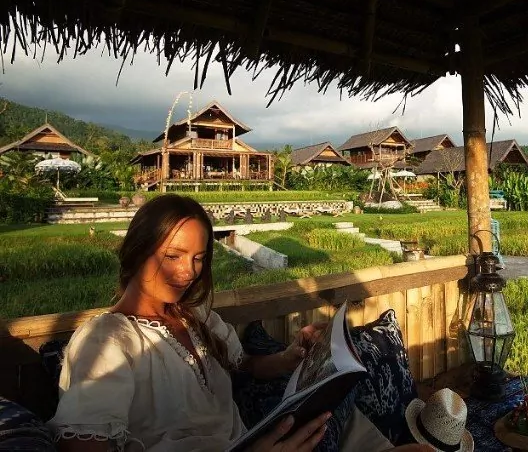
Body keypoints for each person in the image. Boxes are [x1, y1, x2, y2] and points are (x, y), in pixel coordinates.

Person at [48, 194, 430, 452]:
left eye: (199, 258)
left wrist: (290, 357)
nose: (188, 272)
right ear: (136, 251)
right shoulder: (107, 341)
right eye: (173, 255)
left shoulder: (197, 318)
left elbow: (244, 365)